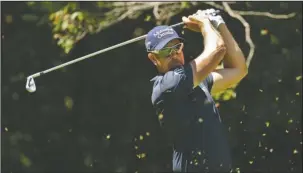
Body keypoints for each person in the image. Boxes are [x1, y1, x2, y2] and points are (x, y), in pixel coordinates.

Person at [145, 9, 248, 172]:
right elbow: (218, 49)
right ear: (153, 58)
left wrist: (219, 24)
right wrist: (205, 24)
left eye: (177, 47)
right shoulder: (167, 85)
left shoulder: (196, 81)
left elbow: (238, 69)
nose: (174, 54)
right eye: (166, 51)